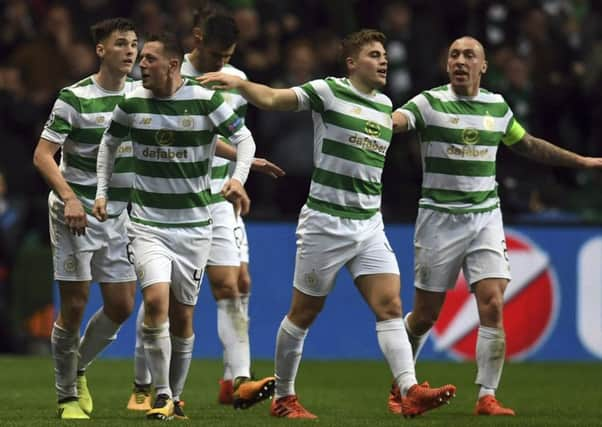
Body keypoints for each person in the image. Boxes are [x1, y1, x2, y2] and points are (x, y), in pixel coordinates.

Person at [200, 29, 457, 419]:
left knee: (390, 305)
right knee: (303, 314)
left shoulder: (385, 105)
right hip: (326, 222)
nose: (383, 60)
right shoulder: (329, 92)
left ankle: (409, 390)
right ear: (352, 63)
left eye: (385, 54)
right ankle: (284, 398)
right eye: (374, 55)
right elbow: (275, 99)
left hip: (369, 224)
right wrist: (241, 84)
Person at [389, 36, 602, 416]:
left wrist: (582, 161)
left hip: (485, 216)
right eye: (453, 54)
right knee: (425, 316)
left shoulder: (497, 107)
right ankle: (401, 383)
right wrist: (375, 118)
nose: (460, 60)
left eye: (469, 55)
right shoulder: (429, 102)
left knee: (492, 304)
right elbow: (398, 121)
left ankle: (487, 395)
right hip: (439, 219)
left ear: (483, 66)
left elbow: (530, 145)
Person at [94, 31, 261, 421]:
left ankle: (177, 396)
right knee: (155, 301)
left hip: (193, 227)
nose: (142, 65)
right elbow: (108, 144)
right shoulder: (133, 100)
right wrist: (102, 192)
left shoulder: (205, 100)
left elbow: (245, 139)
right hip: (146, 224)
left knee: (183, 318)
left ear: (172, 65)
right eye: (142, 59)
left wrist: (239, 178)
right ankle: (161, 393)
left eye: (150, 59)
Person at [125, 12, 282, 412]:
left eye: (229, 56)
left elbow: (229, 137)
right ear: (196, 39)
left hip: (218, 197)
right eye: (216, 54)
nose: (222, 63)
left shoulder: (235, 80)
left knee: (232, 284)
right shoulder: (165, 74)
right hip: (169, 200)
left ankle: (239, 380)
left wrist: (241, 175)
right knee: (160, 295)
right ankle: (144, 382)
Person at [32, 18, 139, 420]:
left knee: (122, 305)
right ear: (100, 50)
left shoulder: (140, 95)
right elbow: (43, 155)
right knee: (74, 305)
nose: (129, 51)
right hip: (74, 212)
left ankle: (78, 369)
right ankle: (66, 397)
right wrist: (70, 198)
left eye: (133, 44)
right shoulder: (74, 98)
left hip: (118, 213)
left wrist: (239, 157)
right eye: (120, 44)